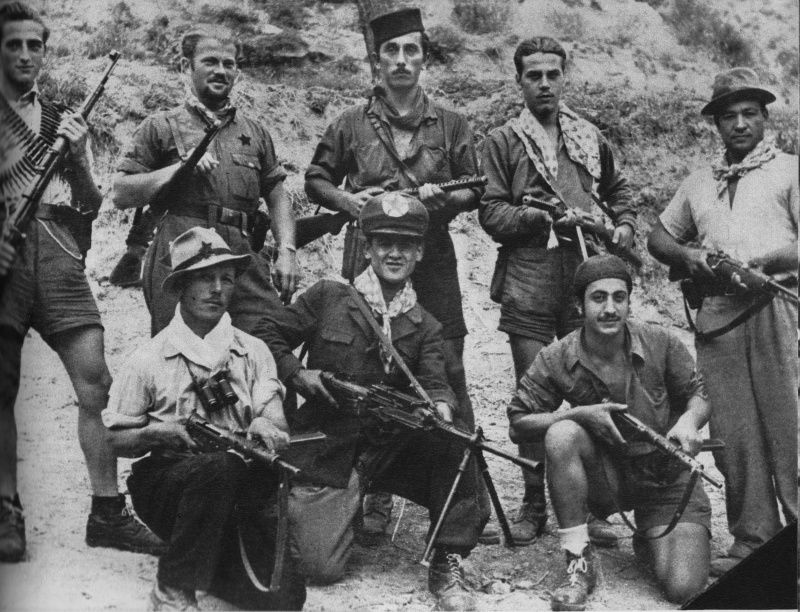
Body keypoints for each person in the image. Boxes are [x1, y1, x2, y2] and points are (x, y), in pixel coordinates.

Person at [253, 192, 489, 611]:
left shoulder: (427, 325)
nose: (394, 254)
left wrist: (441, 409)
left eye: (405, 245)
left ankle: (447, 557)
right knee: (319, 567)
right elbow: (267, 334)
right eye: (384, 243)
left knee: (455, 439)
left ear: (419, 252)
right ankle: (322, 507)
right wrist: (297, 373)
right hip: (330, 445)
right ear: (367, 247)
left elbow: (437, 383)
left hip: (391, 446)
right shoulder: (328, 297)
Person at [304, 7, 483, 535]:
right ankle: (370, 492)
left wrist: (441, 200)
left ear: (424, 59)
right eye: (392, 51)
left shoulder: (451, 124)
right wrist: (350, 201)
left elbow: (476, 187)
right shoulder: (350, 123)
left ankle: (462, 498)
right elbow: (316, 179)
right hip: (370, 255)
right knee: (366, 371)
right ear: (377, 60)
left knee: (447, 367)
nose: (402, 60)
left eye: (412, 51)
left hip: (432, 258)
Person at [0, 1, 163, 562]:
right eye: (13, 45)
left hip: (56, 250)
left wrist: (76, 157)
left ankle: (107, 512)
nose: (26, 55)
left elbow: (92, 205)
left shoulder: (60, 119)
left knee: (96, 384)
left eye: (35, 45)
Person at [479, 36, 636, 546]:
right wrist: (540, 216)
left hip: (585, 276)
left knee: (591, 388)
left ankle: (591, 504)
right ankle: (533, 503)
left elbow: (619, 191)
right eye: (533, 76)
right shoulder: (503, 140)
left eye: (552, 74)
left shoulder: (588, 135)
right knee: (532, 393)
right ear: (519, 81)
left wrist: (623, 225)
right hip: (529, 276)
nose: (544, 84)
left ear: (564, 77)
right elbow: (491, 211)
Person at [102, 226, 306, 611]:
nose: (216, 289)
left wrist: (267, 426)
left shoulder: (253, 351)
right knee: (218, 469)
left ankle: (210, 561)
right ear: (181, 286)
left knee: (285, 598)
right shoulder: (148, 359)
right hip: (171, 486)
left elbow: (277, 424)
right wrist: (159, 433)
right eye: (204, 278)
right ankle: (172, 589)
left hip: (239, 490)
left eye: (226, 279)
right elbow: (113, 441)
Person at [648, 67, 798, 576]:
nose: (739, 124)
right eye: (728, 116)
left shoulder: (790, 171)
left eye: (749, 113)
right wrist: (689, 257)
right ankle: (753, 540)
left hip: (775, 308)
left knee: (789, 427)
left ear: (764, 118)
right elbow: (658, 237)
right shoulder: (699, 181)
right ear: (715, 123)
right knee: (734, 434)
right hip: (717, 317)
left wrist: (765, 263)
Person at [508, 255, 712, 610]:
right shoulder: (558, 355)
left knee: (684, 588)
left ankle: (650, 539)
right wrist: (578, 414)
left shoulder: (660, 341)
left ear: (629, 302)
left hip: (666, 477)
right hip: (608, 478)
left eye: (619, 297)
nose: (609, 309)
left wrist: (689, 421)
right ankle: (578, 560)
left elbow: (700, 393)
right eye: (598, 298)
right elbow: (518, 424)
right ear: (579, 305)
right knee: (562, 434)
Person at [112, 26, 298, 336]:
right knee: (183, 351)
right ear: (186, 66)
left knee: (267, 344)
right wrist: (179, 169)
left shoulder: (255, 133)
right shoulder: (160, 126)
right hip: (181, 257)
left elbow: (277, 196)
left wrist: (288, 251)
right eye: (210, 61)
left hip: (242, 258)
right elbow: (121, 193)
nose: (221, 71)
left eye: (229, 64)